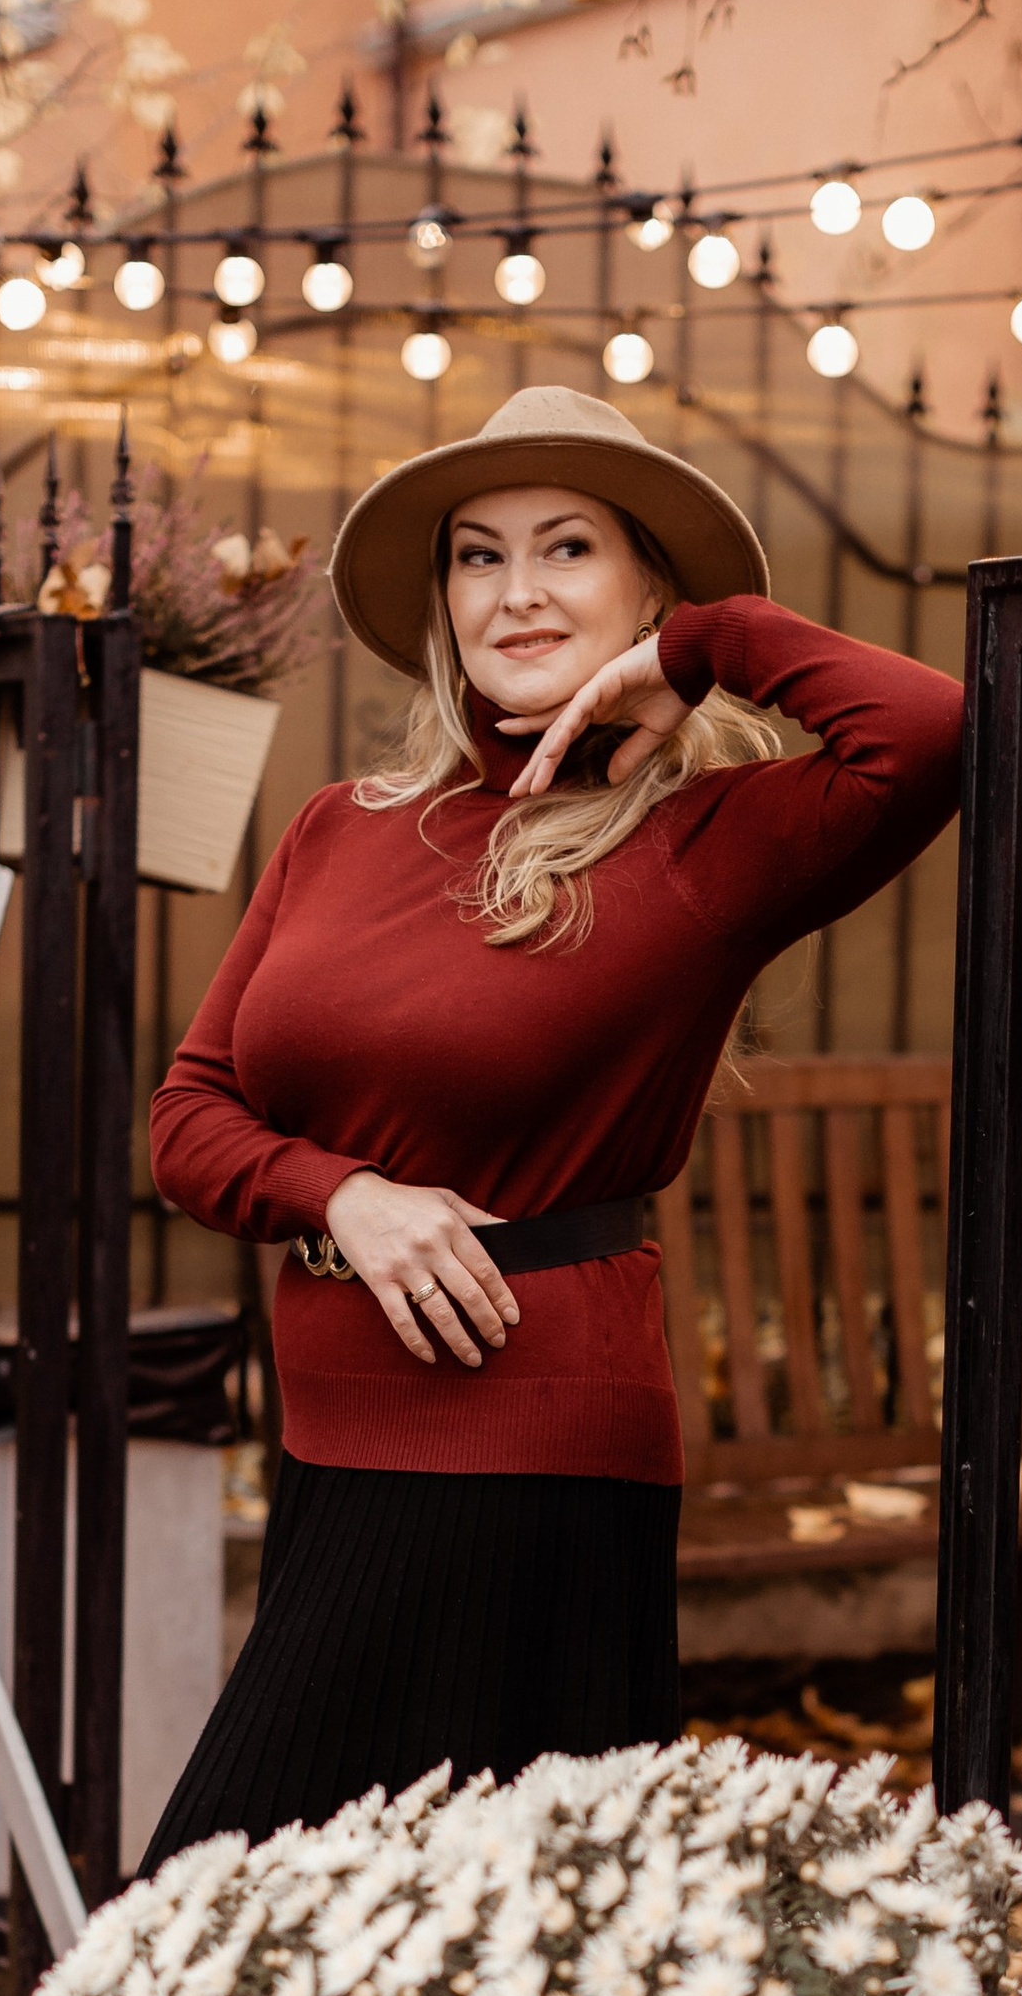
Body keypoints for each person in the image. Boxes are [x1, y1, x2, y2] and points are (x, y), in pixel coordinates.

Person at [141, 382, 964, 1857]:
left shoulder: (705, 840)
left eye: (568, 547)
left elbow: (933, 729)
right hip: (329, 1444)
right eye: (477, 555)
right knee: (363, 1971)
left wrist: (706, 649)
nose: (516, 592)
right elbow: (190, 1115)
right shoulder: (343, 826)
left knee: (248, 1919)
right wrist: (341, 1196)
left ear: (645, 585)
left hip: (526, 1460)